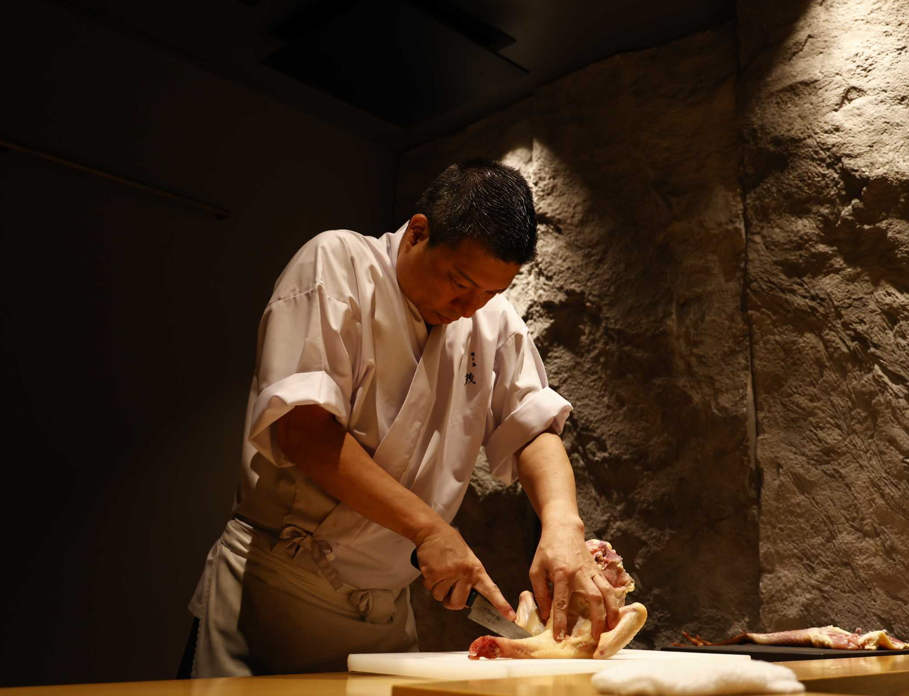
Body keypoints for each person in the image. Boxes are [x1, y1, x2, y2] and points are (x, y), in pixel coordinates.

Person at [186, 159, 623, 677]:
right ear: (419, 233)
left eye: (491, 293)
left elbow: (532, 427)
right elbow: (304, 432)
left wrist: (563, 524)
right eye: (461, 283)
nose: (471, 307)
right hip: (273, 596)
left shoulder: (489, 316)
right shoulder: (337, 262)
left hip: (387, 614)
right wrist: (429, 530)